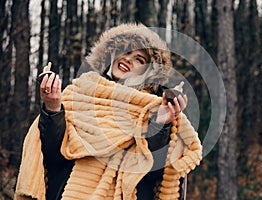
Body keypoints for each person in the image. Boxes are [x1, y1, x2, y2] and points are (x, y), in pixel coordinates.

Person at [14, 23, 202, 200]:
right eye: (125, 50)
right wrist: (53, 108)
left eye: (139, 59)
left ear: (149, 73)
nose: (128, 58)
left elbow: (154, 173)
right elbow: (53, 157)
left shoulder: (154, 109)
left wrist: (160, 124)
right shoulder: (78, 93)